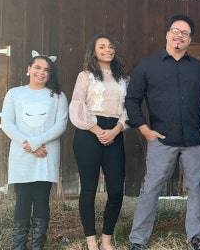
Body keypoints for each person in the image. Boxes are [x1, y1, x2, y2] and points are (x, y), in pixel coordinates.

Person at [125, 14, 200, 250]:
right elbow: (132, 99)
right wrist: (144, 129)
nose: (179, 36)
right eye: (176, 30)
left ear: (190, 40)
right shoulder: (147, 67)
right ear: (167, 34)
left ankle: (194, 238)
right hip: (161, 139)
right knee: (151, 188)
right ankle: (138, 239)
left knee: (196, 189)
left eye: (185, 33)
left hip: (195, 140)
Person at [1, 51, 69, 250]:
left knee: (41, 198)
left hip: (46, 154)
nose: (41, 72)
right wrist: (29, 145)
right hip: (22, 154)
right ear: (29, 69)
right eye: (37, 68)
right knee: (22, 199)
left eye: (46, 70)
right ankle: (19, 245)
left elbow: (61, 125)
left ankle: (38, 245)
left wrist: (37, 143)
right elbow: (7, 122)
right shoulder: (15, 93)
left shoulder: (57, 95)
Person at [70, 34, 129, 250]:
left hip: (115, 131)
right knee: (89, 189)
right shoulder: (85, 76)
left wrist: (114, 131)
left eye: (110, 46)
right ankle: (91, 241)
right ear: (93, 51)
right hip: (89, 133)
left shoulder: (123, 78)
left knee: (115, 190)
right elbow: (77, 105)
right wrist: (97, 130)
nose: (107, 50)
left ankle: (106, 239)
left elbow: (127, 110)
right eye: (101, 46)